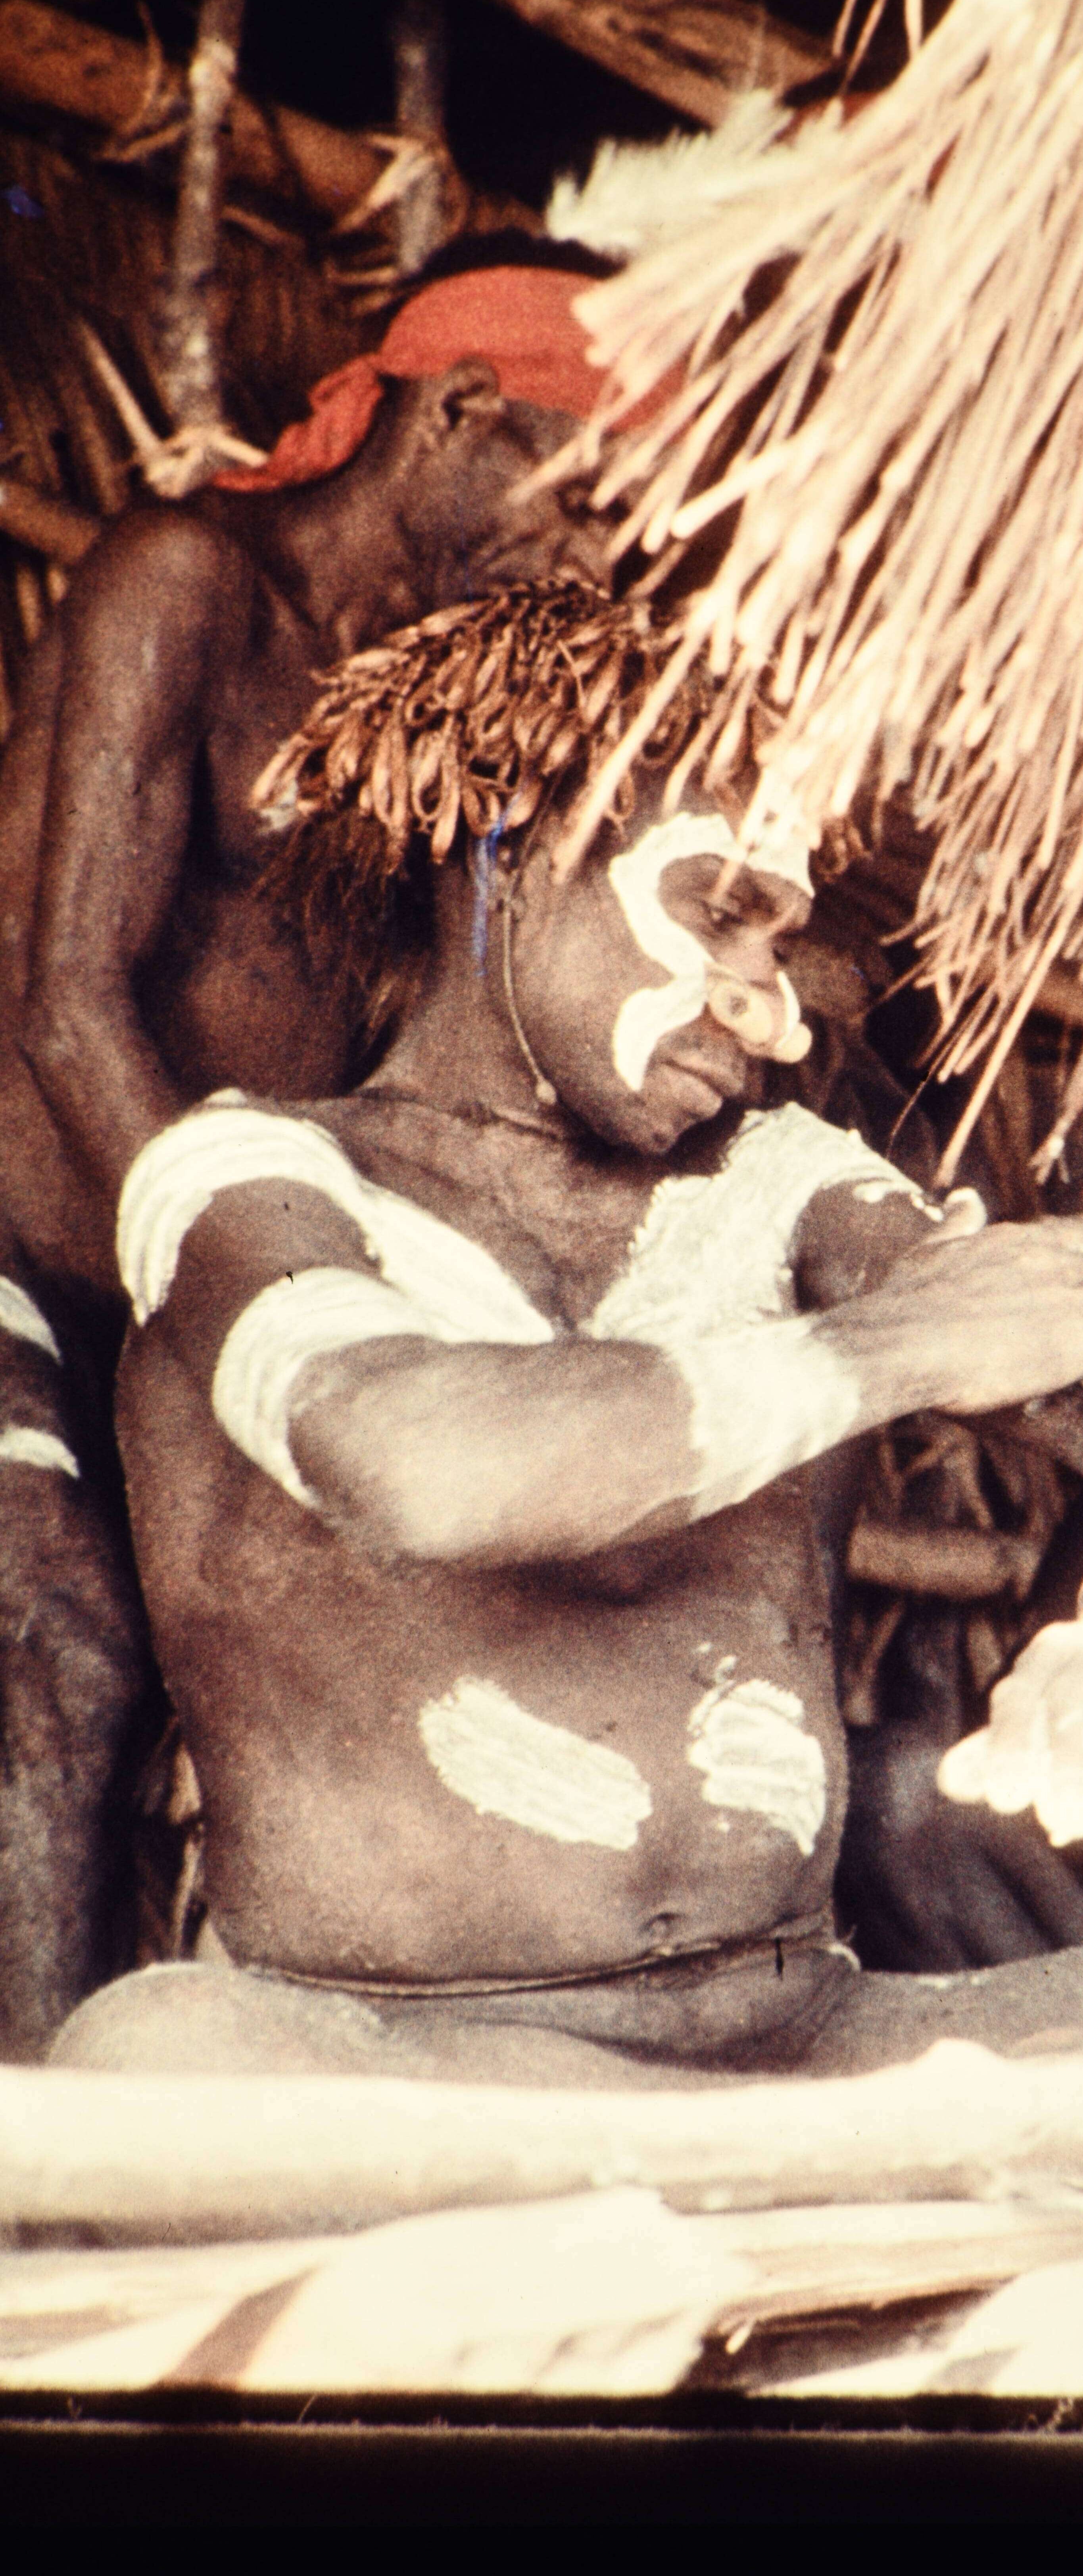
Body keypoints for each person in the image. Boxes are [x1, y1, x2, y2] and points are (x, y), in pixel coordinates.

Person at [49, 607, 1083, 2087]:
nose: (770, 1019)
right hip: (408, 2064)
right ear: (501, 844)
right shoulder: (246, 1182)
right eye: (721, 915)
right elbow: (416, 1459)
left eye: (780, 944)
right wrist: (885, 1350)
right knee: (158, 2056)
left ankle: (754, 2181)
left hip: (801, 2043)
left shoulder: (780, 1185)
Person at [0, 240, 635, 2058]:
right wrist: (256, 1311)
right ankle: (44, 2168)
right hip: (43, 1253)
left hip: (172, 1291)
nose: (593, 555)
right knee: (65, 1641)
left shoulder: (426, 699)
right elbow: (64, 1007)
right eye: (583, 495)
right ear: (462, 410)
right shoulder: (185, 579)